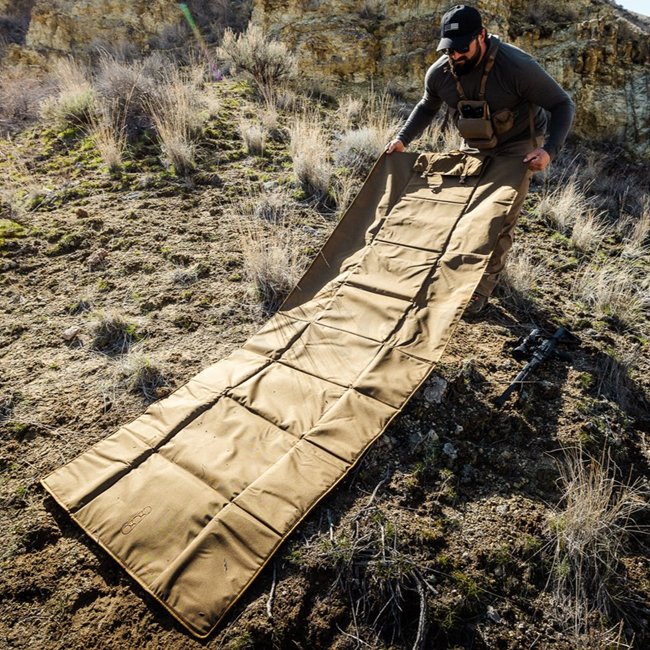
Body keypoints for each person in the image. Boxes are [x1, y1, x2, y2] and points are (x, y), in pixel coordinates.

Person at [386, 4, 575, 316]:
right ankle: (451, 271)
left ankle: (480, 289)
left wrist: (549, 151)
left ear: (482, 36)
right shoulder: (440, 73)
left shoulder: (516, 66)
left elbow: (562, 104)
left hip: (519, 146)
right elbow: (427, 106)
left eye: (462, 48)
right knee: (462, 210)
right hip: (476, 143)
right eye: (449, 49)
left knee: (497, 217)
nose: (455, 55)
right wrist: (402, 139)